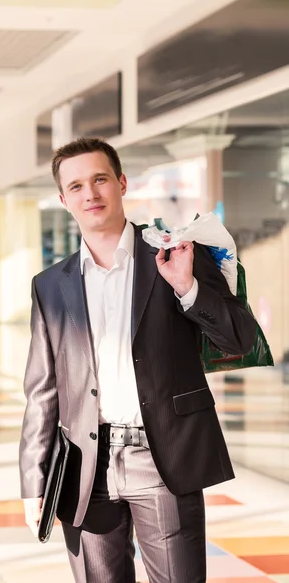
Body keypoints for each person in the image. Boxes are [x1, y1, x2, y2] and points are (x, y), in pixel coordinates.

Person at [19, 137, 256, 583]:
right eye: (76, 186)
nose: (90, 193)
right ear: (63, 199)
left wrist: (187, 288)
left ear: (122, 182)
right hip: (86, 467)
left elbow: (237, 340)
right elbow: (42, 391)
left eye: (100, 179)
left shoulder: (175, 253)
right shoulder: (50, 285)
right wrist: (34, 483)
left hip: (163, 454)